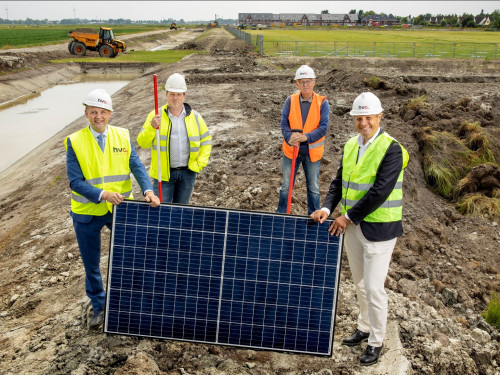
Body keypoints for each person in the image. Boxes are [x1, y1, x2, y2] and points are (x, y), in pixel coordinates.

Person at [310, 92, 409, 366]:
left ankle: (376, 341)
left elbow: (379, 192)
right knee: (360, 284)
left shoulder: (392, 149)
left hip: (380, 231)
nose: (363, 122)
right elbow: (340, 181)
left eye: (368, 117)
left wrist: (347, 217)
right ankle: (364, 327)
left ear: (380, 117)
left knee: (375, 288)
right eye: (359, 118)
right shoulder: (352, 145)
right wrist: (328, 210)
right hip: (353, 229)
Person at [65, 88, 160, 329]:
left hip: (120, 210)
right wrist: (103, 195)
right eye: (94, 112)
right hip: (87, 214)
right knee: (92, 264)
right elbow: (75, 182)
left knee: (129, 257)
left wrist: (148, 190)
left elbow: (137, 166)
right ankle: (99, 305)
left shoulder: (122, 136)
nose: (99, 116)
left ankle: (128, 300)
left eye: (103, 112)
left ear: (110, 113)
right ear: (86, 113)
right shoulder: (75, 141)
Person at [137, 73, 212, 204]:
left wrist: (199, 164)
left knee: (181, 212)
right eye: (172, 94)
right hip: (164, 175)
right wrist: (151, 127)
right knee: (162, 212)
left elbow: (206, 141)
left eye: (178, 94)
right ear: (166, 95)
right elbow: (142, 143)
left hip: (187, 174)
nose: (175, 98)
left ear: (184, 96)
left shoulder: (195, 117)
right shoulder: (155, 115)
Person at [276, 64, 330, 215]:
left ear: (314, 82)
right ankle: (281, 214)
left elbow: (323, 128)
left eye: (308, 81)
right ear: (297, 84)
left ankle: (313, 215)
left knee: (313, 188)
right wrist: (288, 137)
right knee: (286, 186)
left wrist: (307, 137)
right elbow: (284, 122)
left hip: (312, 153)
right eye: (302, 81)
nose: (305, 85)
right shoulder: (290, 100)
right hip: (291, 150)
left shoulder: (322, 102)